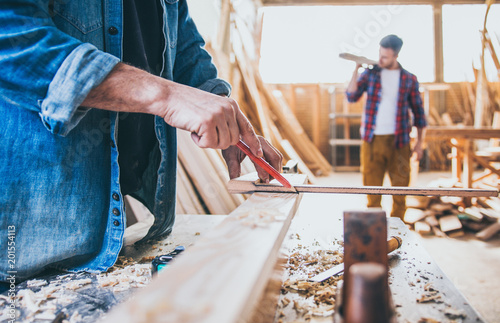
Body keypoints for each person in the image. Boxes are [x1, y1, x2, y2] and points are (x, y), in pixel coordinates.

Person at [0, 0, 283, 290]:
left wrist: (224, 114)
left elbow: (184, 49)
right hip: (25, 240)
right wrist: (164, 95)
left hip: (102, 235)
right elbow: (13, 40)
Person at [345, 34, 427, 221]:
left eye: (385, 57)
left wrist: (419, 144)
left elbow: (419, 115)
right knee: (371, 187)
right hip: (372, 140)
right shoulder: (371, 74)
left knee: (400, 188)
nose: (380, 60)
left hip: (399, 141)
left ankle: (399, 231)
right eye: (379, 55)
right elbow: (351, 96)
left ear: (396, 56)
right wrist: (356, 70)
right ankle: (375, 228)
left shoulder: (409, 79)